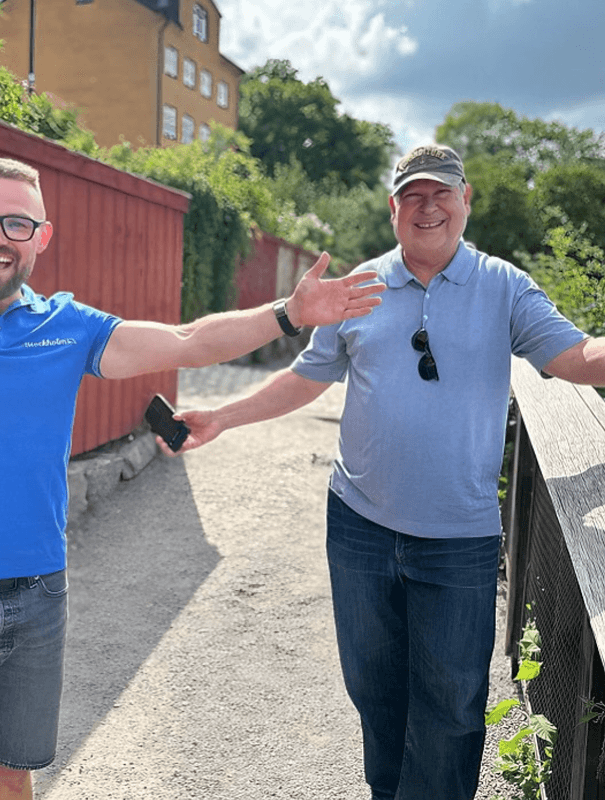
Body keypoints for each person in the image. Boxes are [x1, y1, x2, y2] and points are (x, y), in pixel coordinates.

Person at [0, 156, 384, 800]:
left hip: (35, 597)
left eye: (17, 224)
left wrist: (287, 315)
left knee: (13, 782)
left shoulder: (67, 327)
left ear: (42, 237)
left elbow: (187, 340)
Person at [162, 144, 605, 800]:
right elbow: (305, 379)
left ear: (465, 200)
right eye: (412, 195)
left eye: (441, 193)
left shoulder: (503, 288)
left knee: (451, 708)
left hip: (458, 540)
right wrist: (222, 416)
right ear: (392, 207)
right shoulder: (358, 288)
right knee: (375, 693)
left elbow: (576, 358)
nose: (427, 207)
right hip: (359, 529)